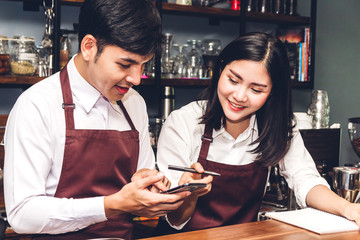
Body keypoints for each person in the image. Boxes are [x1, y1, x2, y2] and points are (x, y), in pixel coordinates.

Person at [3, 0, 190, 239]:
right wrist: (111, 205)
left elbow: (143, 174)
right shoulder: (38, 105)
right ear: (89, 46)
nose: (136, 78)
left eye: (143, 65)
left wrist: (151, 186)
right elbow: (22, 214)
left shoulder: (134, 103)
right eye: (125, 64)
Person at [155, 32, 360, 233]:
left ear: (272, 92)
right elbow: (174, 219)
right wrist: (189, 194)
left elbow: (305, 179)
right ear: (220, 70)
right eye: (233, 80)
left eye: (256, 90)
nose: (240, 96)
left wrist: (348, 208)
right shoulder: (183, 122)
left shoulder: (279, 126)